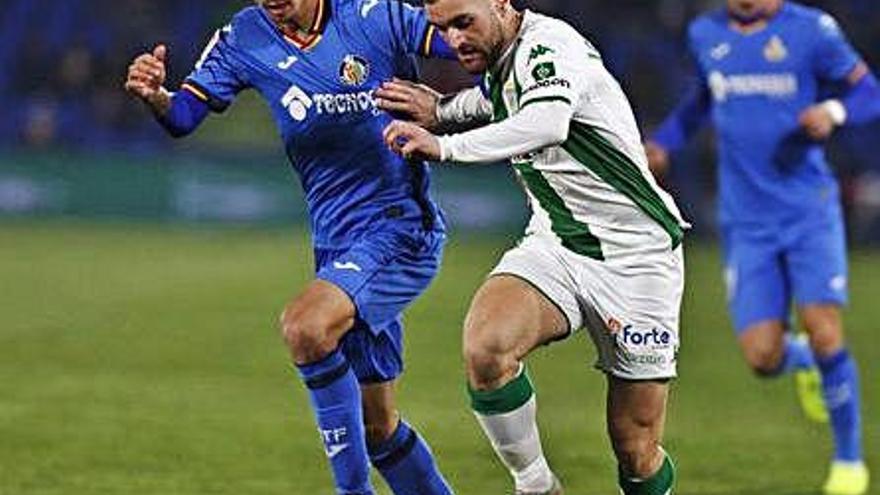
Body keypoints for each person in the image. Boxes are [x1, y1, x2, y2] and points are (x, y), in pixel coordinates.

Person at [124, 1, 458, 494]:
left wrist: (454, 108)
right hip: (335, 242)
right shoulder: (245, 35)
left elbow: (466, 38)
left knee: (306, 326)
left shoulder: (374, 14)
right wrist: (156, 95)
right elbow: (183, 115)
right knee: (377, 430)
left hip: (399, 228)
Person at [376, 0, 688, 492]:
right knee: (487, 348)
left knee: (636, 447)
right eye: (444, 29)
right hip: (557, 243)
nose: (455, 41)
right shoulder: (504, 61)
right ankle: (537, 485)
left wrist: (447, 145)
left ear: (501, 5)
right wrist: (441, 110)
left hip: (637, 258)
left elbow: (546, 122)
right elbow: (497, 99)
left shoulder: (549, 46)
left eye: (464, 22)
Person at [644, 1, 880, 494]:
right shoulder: (705, 33)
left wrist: (833, 111)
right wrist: (665, 141)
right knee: (761, 357)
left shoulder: (812, 30)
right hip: (746, 221)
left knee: (825, 327)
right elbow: (705, 99)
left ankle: (849, 462)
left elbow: (868, 91)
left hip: (807, 211)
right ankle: (809, 361)